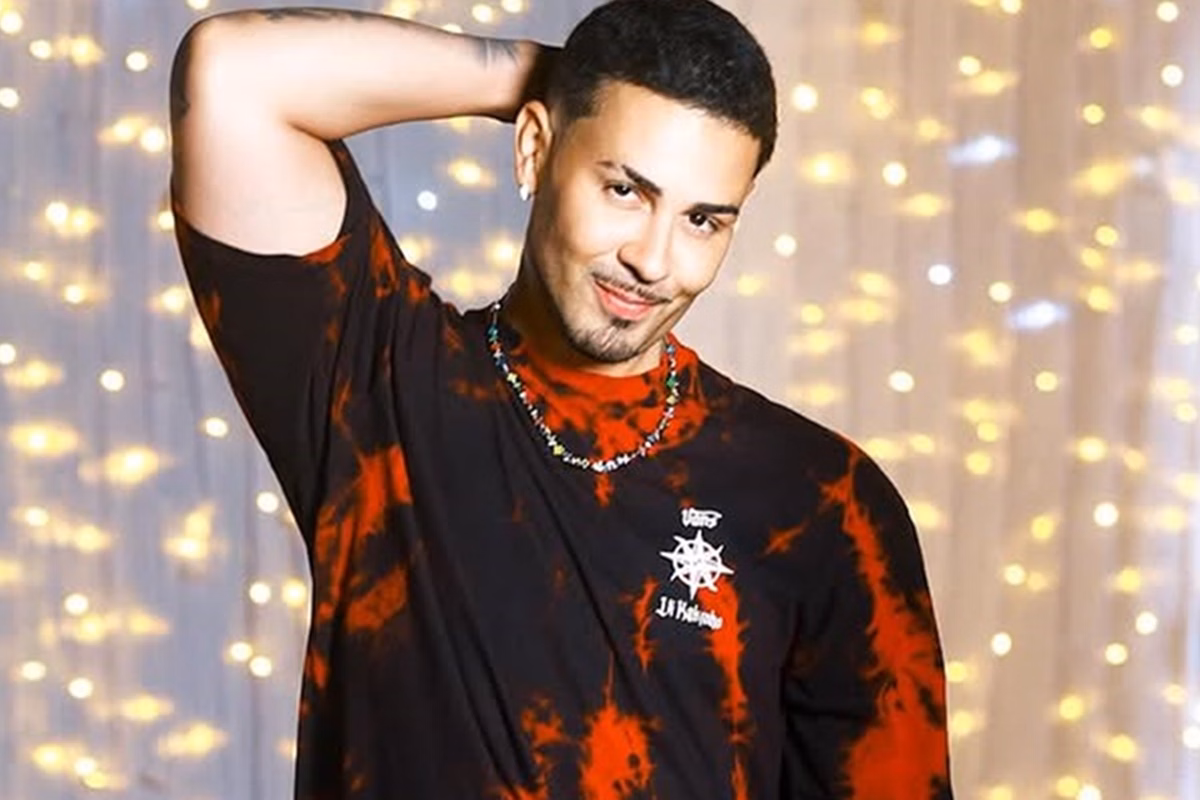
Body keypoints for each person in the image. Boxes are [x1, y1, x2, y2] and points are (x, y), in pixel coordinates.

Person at [168, 1, 954, 797]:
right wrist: (544, 75)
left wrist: (588, 100)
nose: (654, 261)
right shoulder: (383, 386)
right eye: (624, 189)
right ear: (535, 149)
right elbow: (235, 74)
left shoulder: (822, 499)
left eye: (702, 220)